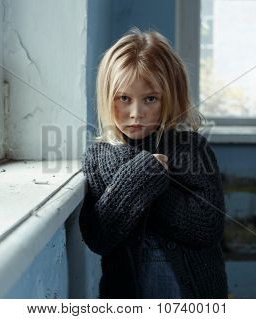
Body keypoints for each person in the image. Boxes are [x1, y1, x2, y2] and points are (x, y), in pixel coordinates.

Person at [79, 28, 228, 299]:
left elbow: (208, 227)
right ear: (107, 97)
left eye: (150, 99)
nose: (136, 113)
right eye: (124, 98)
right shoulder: (100, 156)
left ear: (170, 97)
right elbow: (100, 235)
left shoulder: (192, 148)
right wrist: (146, 173)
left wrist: (144, 191)